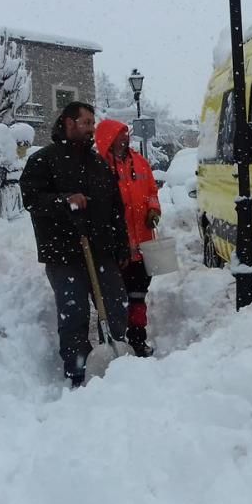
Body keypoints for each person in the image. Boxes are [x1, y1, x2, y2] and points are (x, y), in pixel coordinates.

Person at [20, 102, 131, 386]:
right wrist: (64, 201)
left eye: (92, 123)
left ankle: (116, 357)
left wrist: (120, 244)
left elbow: (115, 208)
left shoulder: (97, 165)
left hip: (101, 251)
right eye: (86, 122)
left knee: (116, 305)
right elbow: (31, 198)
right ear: (69, 123)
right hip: (63, 253)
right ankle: (78, 371)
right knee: (74, 312)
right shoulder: (44, 161)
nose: (91, 128)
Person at [95, 119, 161, 358]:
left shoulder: (140, 163)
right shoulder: (100, 167)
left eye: (125, 134)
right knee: (116, 298)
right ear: (107, 139)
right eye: (118, 135)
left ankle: (137, 339)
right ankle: (116, 341)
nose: (124, 139)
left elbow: (152, 191)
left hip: (141, 245)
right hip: (116, 247)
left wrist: (154, 209)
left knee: (138, 296)